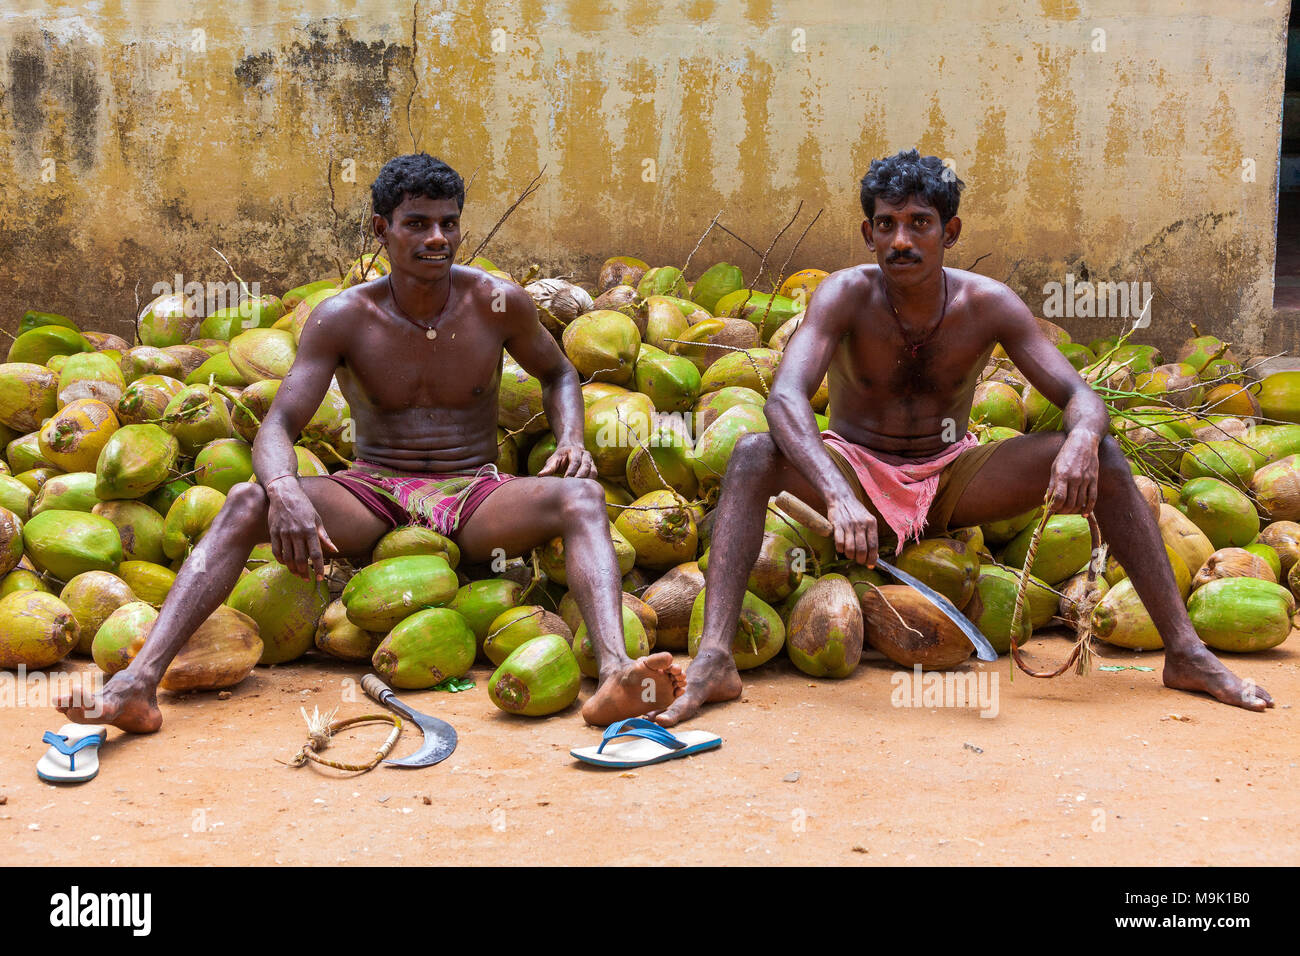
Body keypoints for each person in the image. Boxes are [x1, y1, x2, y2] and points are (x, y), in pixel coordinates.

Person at [59, 153, 683, 732]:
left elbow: (558, 372)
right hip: (373, 491)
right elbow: (278, 425)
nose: (436, 238)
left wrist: (571, 435)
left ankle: (615, 673)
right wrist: (284, 490)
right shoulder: (344, 316)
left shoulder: (496, 303)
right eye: (417, 224)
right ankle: (137, 684)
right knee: (247, 501)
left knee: (581, 497)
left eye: (448, 224)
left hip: (475, 493)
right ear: (381, 229)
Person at [649, 148, 1272, 726]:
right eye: (887, 224)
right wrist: (836, 496)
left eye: (920, 223)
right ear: (868, 233)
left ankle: (1185, 652)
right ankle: (715, 659)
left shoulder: (989, 303)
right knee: (754, 452)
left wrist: (1080, 442)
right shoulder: (844, 294)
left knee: (1102, 453)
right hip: (855, 472)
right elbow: (784, 398)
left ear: (951, 233)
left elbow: (1080, 396)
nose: (901, 239)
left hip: (951, 472)